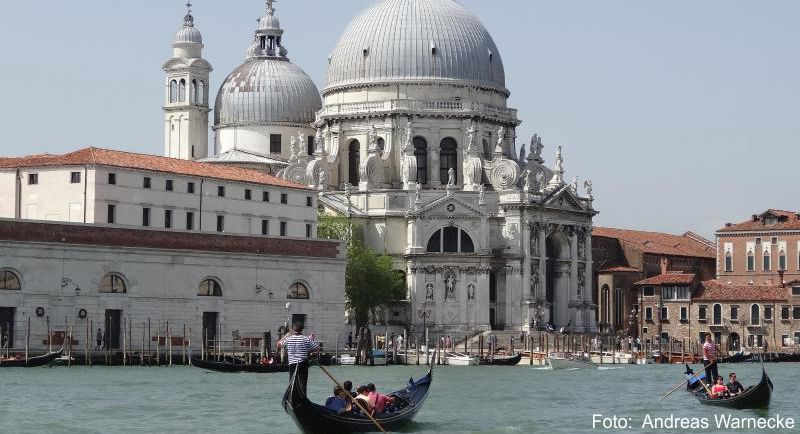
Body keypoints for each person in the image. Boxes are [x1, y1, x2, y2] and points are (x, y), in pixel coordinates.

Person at [277, 322, 319, 392]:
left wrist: (286, 336)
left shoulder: (288, 339)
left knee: (292, 382)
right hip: (303, 364)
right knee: (303, 383)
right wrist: (311, 341)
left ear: (293, 329)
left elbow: (278, 345)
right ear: (302, 329)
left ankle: (292, 396)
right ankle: (302, 397)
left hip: (292, 364)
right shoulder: (306, 339)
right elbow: (316, 348)